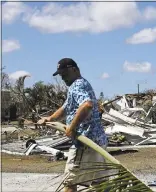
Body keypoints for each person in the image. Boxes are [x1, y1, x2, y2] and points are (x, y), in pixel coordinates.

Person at [37, 58, 108, 192]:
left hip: (84, 143)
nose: (62, 78)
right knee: (100, 183)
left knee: (70, 182)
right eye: (61, 75)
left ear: (74, 69)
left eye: (64, 74)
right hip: (98, 141)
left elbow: (87, 105)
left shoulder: (77, 85)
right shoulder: (81, 84)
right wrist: (50, 118)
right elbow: (66, 108)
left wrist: (72, 126)